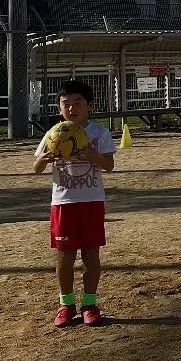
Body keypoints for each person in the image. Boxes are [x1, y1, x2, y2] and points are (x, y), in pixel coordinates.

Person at [33, 80, 117, 327]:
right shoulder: (53, 134)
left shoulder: (99, 133)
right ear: (59, 108)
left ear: (90, 105)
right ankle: (66, 305)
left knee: (91, 254)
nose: (72, 108)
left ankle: (89, 304)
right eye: (66, 103)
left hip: (91, 201)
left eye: (78, 103)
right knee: (65, 255)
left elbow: (109, 165)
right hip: (63, 202)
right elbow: (36, 168)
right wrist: (44, 159)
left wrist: (93, 156)